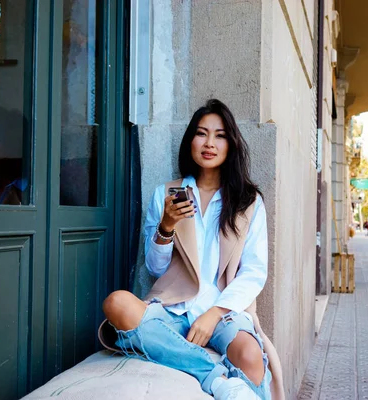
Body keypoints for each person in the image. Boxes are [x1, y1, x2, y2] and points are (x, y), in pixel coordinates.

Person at [98, 99, 283, 400]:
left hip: (224, 310)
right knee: (117, 304)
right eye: (201, 133)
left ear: (231, 144)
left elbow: (254, 271)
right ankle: (217, 380)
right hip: (174, 307)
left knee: (250, 356)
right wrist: (166, 226)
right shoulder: (166, 194)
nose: (209, 143)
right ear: (190, 141)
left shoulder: (248, 201)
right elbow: (156, 268)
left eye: (220, 135)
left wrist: (213, 314)